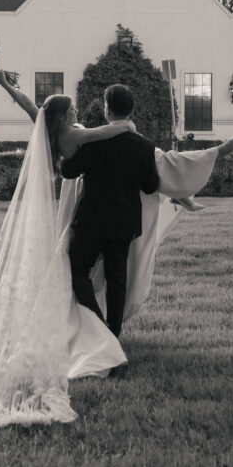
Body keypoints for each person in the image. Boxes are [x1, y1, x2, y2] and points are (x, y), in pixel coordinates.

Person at [0, 73, 137, 429]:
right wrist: (127, 127)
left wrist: (1, 80)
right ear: (62, 117)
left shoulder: (48, 129)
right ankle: (98, 334)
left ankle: (91, 327)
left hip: (71, 202)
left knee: (72, 269)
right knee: (73, 271)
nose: (76, 112)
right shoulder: (72, 133)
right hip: (75, 204)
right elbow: (102, 133)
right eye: (71, 109)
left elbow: (30, 105)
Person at [61, 84, 159, 341]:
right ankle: (113, 333)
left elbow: (69, 171)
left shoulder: (94, 142)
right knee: (117, 278)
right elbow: (150, 186)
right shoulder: (144, 147)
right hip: (123, 223)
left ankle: (97, 323)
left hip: (91, 220)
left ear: (107, 109)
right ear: (131, 111)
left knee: (77, 270)